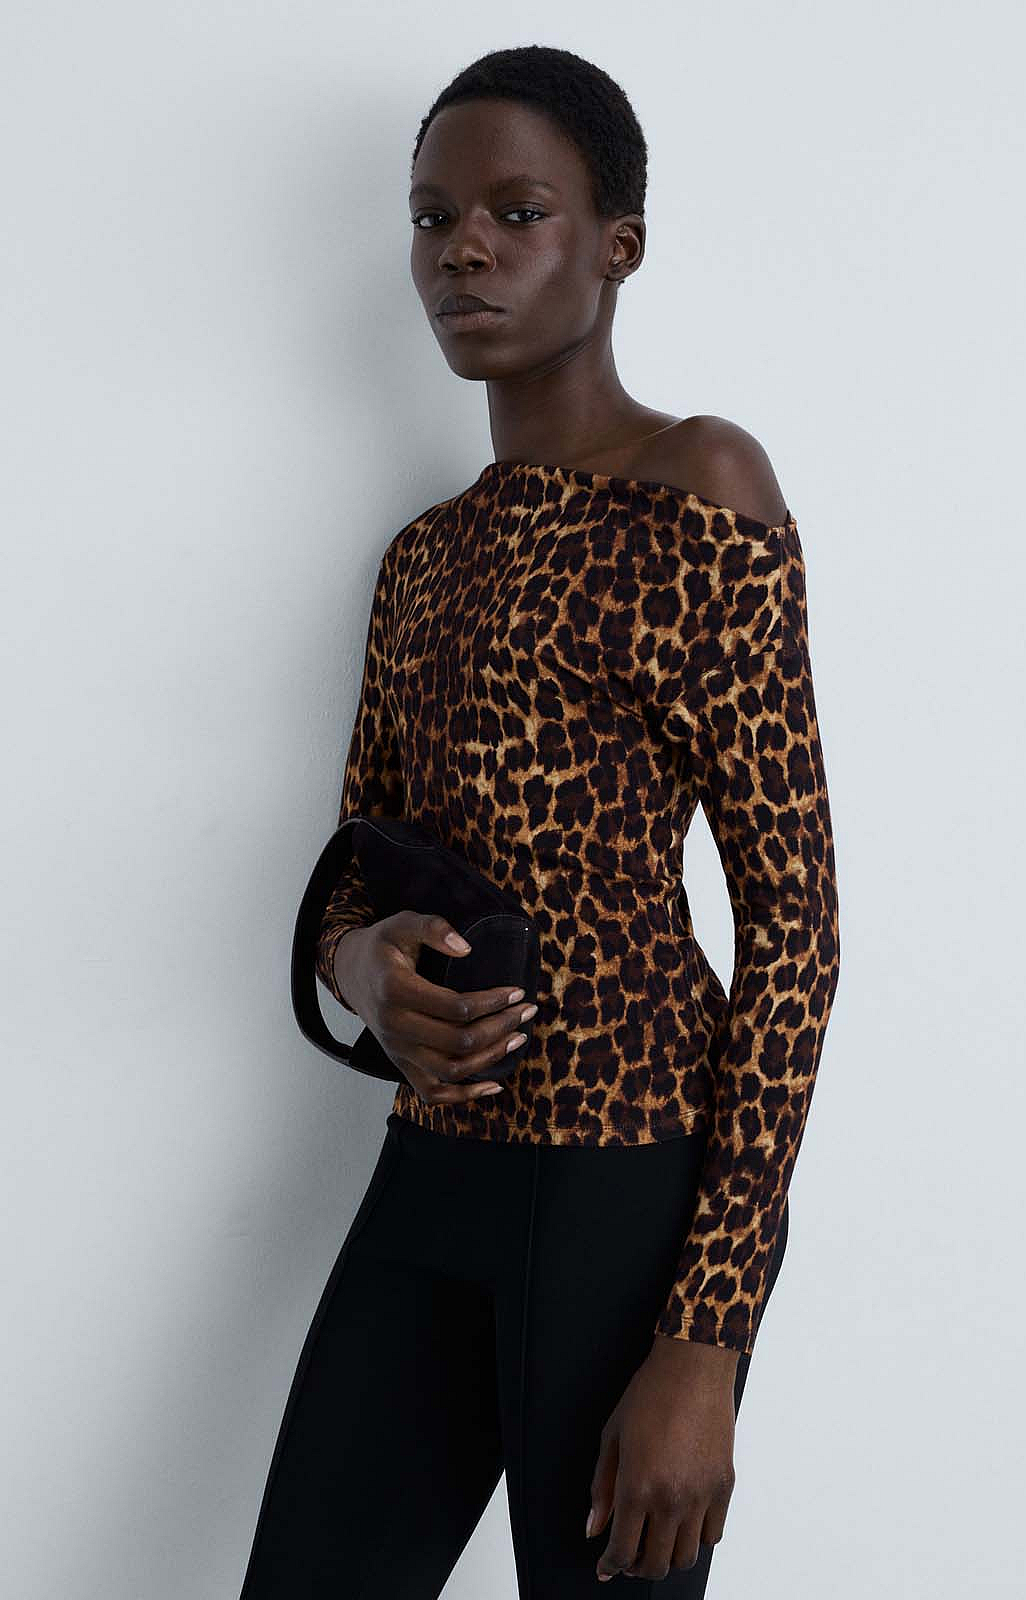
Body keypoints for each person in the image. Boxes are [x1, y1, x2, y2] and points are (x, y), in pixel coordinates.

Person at [239, 43, 840, 1599]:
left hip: (625, 1192)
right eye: (433, 218)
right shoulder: (424, 559)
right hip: (432, 1171)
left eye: (517, 212)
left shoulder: (702, 486)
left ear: (616, 244)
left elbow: (794, 928)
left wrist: (707, 1340)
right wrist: (364, 968)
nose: (464, 250)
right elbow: (355, 863)